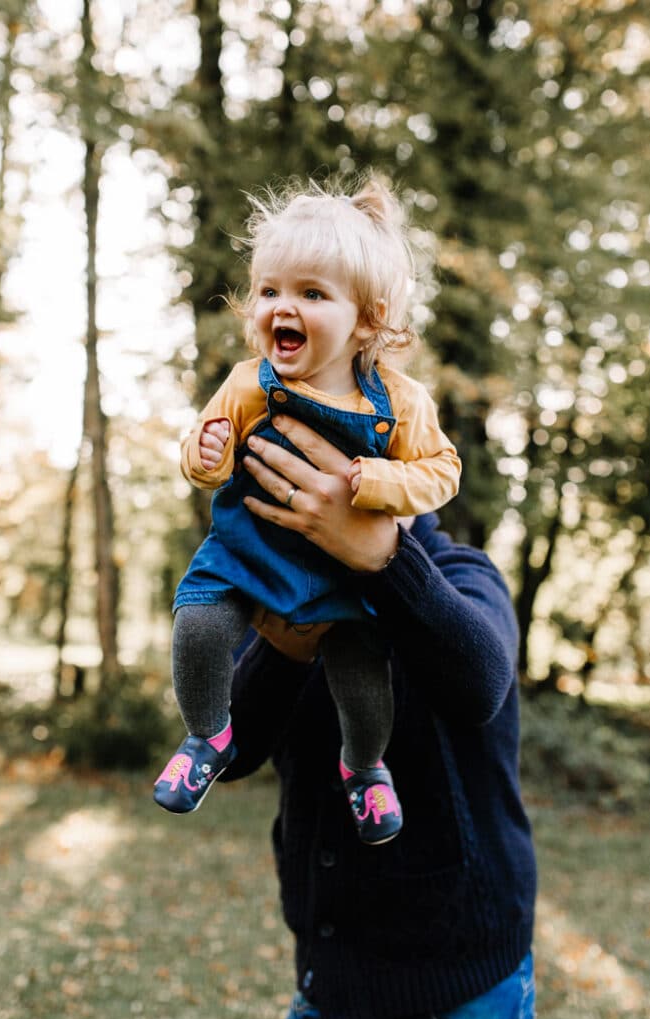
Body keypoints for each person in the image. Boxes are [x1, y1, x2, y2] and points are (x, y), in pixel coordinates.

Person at [154, 177, 461, 844]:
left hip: (343, 578)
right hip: (245, 557)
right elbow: (203, 456)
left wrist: (378, 480)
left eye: (311, 294)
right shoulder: (245, 383)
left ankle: (363, 766)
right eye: (270, 290)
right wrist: (205, 452)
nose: (280, 308)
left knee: (360, 672)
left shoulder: (399, 403)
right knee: (197, 625)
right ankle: (207, 736)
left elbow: (442, 472)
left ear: (367, 319)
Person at [220, 416, 537, 1019]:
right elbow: (229, 751)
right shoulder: (281, 590)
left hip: (458, 995)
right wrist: (283, 649)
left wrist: (384, 560)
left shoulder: (464, 573)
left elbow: (482, 685)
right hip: (327, 987)